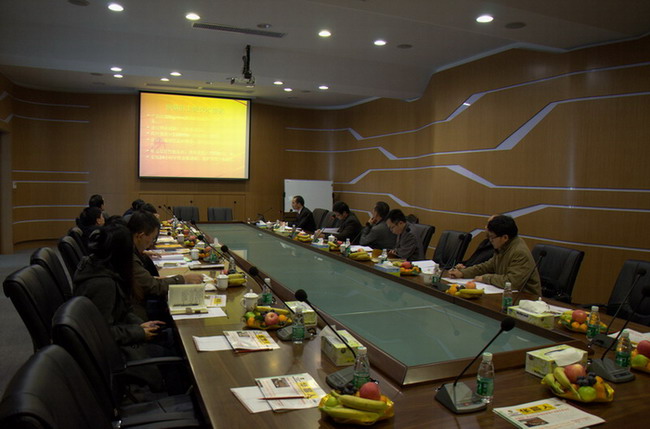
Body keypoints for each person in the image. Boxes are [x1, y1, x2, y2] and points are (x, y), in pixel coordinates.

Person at [128, 210, 203, 320]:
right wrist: (183, 279)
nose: (152, 243)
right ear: (140, 236)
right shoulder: (129, 257)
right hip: (137, 315)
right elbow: (153, 287)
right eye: (153, 238)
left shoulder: (129, 250)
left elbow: (144, 281)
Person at [448, 215, 541, 295]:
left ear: (505, 237)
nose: (490, 240)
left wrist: (485, 278)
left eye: (492, 237)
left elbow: (512, 282)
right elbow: (487, 266)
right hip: (507, 294)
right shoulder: (504, 246)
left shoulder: (519, 252)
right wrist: (463, 273)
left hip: (526, 299)